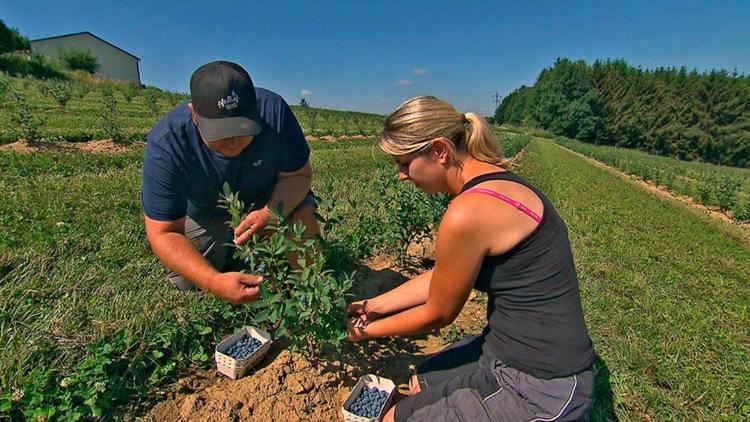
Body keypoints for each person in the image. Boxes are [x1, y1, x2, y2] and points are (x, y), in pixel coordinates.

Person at [347, 96, 595, 421]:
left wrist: (363, 333)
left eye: (404, 163)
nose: (401, 175)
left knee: (394, 418)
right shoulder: (497, 181)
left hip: (542, 383)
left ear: (439, 150)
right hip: (506, 349)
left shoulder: (467, 212)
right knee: (418, 383)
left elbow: (439, 313)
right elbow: (443, 277)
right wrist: (373, 306)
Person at [141, 60, 318, 305]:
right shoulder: (168, 143)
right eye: (221, 132)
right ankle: (230, 259)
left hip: (270, 200)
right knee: (188, 281)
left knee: (303, 229)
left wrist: (270, 214)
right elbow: (163, 232)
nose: (234, 141)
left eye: (243, 128)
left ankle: (308, 293)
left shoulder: (274, 111)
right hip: (207, 212)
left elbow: (298, 176)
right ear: (194, 114)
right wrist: (213, 282)